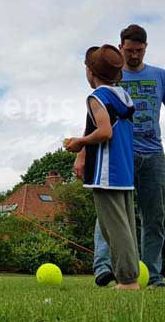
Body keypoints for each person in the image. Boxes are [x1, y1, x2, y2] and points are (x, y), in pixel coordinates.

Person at [78, 25, 165, 288]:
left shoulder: (160, 76)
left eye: (139, 51)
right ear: (120, 48)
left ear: (146, 48)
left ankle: (153, 274)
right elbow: (95, 121)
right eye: (129, 51)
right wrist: (83, 153)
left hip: (152, 155)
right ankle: (105, 269)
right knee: (110, 213)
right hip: (119, 155)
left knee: (154, 216)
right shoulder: (112, 77)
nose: (134, 55)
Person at [65, 44, 139, 290]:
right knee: (126, 225)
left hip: (107, 172)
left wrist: (80, 142)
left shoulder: (97, 97)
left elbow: (105, 131)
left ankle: (128, 281)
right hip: (126, 171)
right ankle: (129, 277)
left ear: (90, 72)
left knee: (114, 228)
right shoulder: (122, 95)